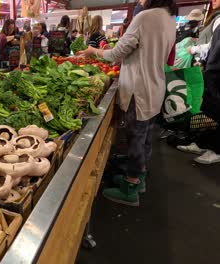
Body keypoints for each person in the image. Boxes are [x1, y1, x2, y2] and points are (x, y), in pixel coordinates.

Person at [78, 0, 177, 206]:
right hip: (155, 85)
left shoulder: (144, 18)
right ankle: (138, 178)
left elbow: (116, 54)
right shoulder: (169, 19)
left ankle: (130, 188)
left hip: (139, 89)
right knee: (145, 135)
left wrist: (93, 51)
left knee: (136, 137)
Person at [178, 0, 220, 164]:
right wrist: (195, 50)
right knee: (207, 108)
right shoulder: (216, 18)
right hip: (211, 69)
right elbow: (211, 45)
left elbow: (216, 49)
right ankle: (203, 143)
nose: (213, 1)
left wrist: (209, 66)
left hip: (216, 72)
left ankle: (216, 149)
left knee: (215, 109)